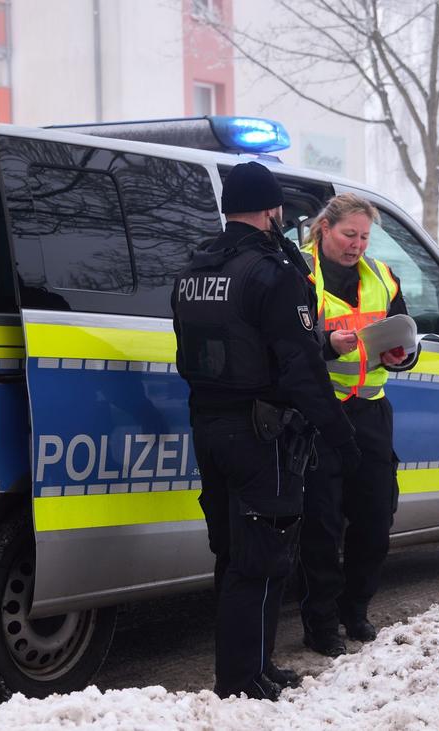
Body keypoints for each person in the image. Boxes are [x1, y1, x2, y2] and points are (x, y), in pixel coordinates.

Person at [172, 161, 360, 700]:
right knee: (263, 558)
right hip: (262, 433)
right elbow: (299, 368)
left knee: (235, 555)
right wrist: (341, 436)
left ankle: (257, 665)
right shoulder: (270, 273)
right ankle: (241, 680)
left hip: (210, 425)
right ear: (270, 210)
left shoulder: (195, 269)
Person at [297, 193, 419, 657]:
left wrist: (401, 354)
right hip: (320, 414)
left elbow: (407, 339)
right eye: (349, 234)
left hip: (370, 409)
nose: (357, 246)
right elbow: (288, 344)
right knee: (322, 523)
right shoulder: (299, 274)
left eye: (364, 237)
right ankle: (321, 623)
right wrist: (327, 344)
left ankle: (356, 609)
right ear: (324, 228)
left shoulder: (383, 277)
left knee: (375, 516)